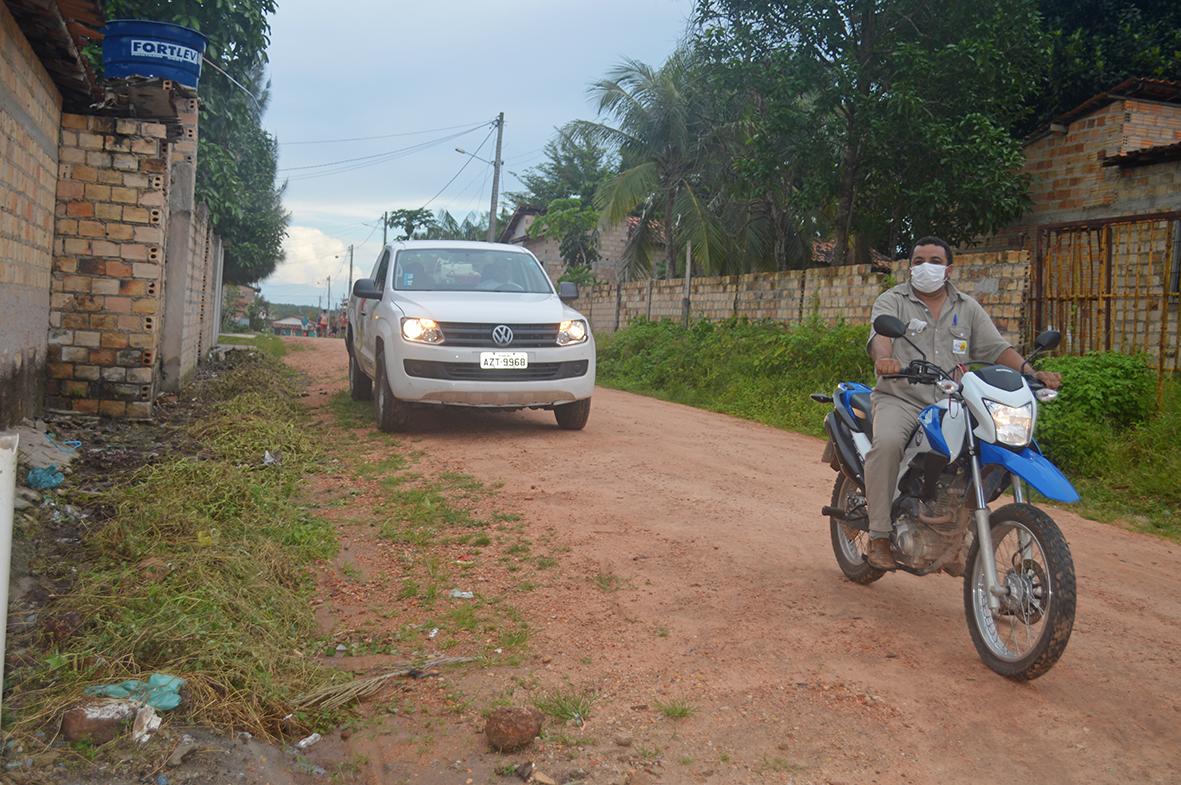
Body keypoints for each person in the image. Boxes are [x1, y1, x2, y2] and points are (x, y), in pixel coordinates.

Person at [863, 236, 1062, 570]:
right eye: (918, 260)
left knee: (980, 453)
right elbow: (880, 339)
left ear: (949, 269)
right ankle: (879, 534)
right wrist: (885, 359)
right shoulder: (893, 300)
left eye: (935, 261)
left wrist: (1031, 371)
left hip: (953, 402)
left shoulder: (967, 307)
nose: (926, 266)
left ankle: (957, 530)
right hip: (902, 398)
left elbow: (996, 348)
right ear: (910, 266)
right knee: (887, 445)